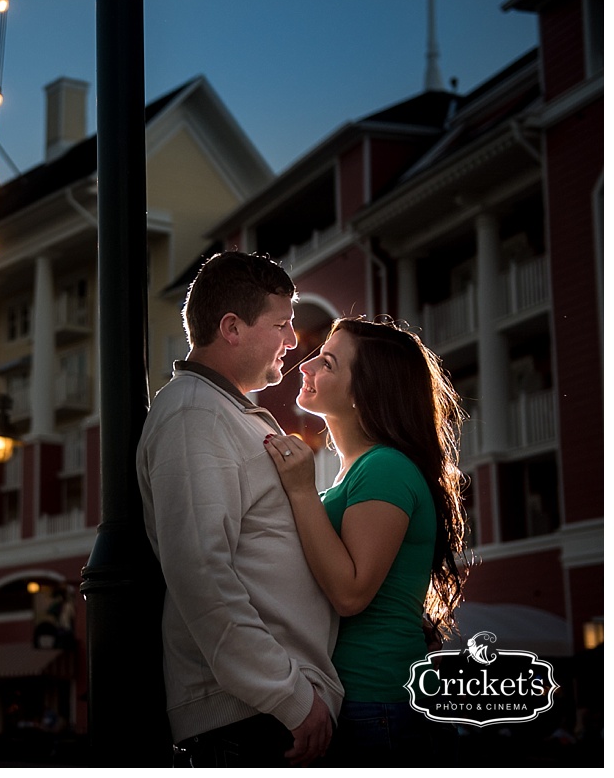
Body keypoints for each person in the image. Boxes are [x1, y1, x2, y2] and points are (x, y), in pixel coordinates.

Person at [137, 251, 343, 767]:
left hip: (267, 712)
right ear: (231, 327)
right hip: (252, 718)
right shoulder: (193, 413)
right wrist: (293, 699)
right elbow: (200, 571)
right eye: (282, 325)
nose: (293, 342)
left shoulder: (222, 410)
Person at [263, 316, 470, 766]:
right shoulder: (355, 473)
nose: (306, 366)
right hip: (361, 703)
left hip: (379, 704)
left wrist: (300, 491)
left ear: (365, 392)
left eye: (328, 363)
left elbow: (351, 593)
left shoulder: (385, 468)